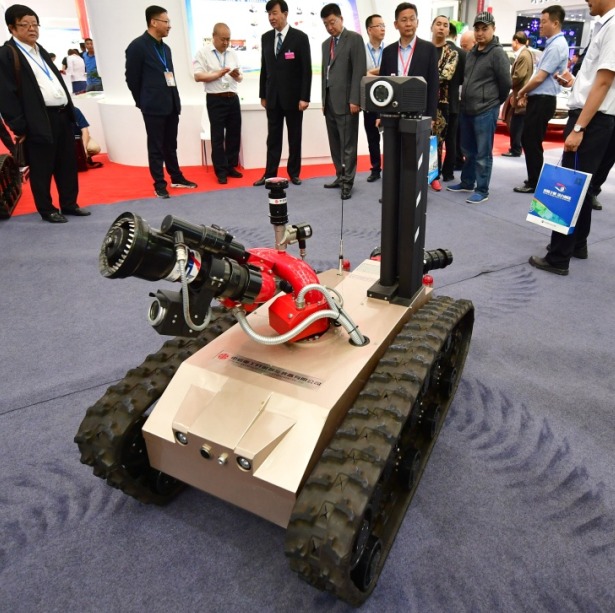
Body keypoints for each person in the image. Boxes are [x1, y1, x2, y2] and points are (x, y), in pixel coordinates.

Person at [529, 0, 615, 276]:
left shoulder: (612, 26)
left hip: (592, 121)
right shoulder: (604, 26)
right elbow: (597, 81)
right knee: (585, 187)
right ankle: (578, 244)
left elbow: (604, 81)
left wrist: (579, 127)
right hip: (599, 120)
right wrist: (576, 84)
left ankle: (558, 257)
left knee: (569, 188)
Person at [0, 4, 90, 223]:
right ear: (12, 28)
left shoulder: (40, 50)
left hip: (61, 115)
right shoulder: (7, 54)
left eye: (35, 24)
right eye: (25, 24)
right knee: (42, 166)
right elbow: (5, 94)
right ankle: (47, 209)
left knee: (67, 162)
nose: (32, 29)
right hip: (37, 119)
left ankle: (69, 204)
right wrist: (19, 126)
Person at [125, 5, 197, 199]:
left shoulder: (165, 48)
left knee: (170, 144)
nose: (169, 26)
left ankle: (176, 177)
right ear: (153, 22)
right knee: (156, 146)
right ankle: (159, 183)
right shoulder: (137, 46)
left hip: (171, 103)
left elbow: (169, 75)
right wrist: (142, 101)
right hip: (153, 106)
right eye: (166, 22)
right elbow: (132, 79)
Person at [446, 12, 511, 204]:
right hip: (467, 109)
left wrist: (493, 102)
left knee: (483, 153)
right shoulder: (472, 52)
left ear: (493, 29)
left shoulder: (497, 53)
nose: (480, 33)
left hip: (486, 110)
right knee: (468, 150)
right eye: (477, 29)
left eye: (485, 29)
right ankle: (467, 182)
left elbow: (506, 84)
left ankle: (482, 190)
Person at [253, 0, 311, 187]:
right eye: (269, 14)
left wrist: (305, 97)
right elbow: (264, 68)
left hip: (294, 99)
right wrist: (263, 94)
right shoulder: (266, 38)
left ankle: (294, 173)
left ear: (285, 14)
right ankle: (269, 174)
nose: (271, 17)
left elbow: (306, 70)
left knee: (294, 137)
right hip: (272, 98)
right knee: (273, 138)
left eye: (275, 13)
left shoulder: (300, 37)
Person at [513, 5, 569, 194]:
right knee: (530, 139)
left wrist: (521, 92)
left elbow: (539, 77)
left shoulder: (557, 46)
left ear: (555, 23)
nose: (540, 26)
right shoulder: (552, 44)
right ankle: (534, 178)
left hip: (543, 99)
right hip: (540, 99)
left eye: (544, 22)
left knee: (531, 140)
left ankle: (535, 181)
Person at [320, 3, 366, 200]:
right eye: (326, 24)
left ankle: (348, 182)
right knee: (335, 144)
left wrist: (355, 99)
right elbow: (325, 74)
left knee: (348, 145)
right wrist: (323, 99)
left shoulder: (354, 39)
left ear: (341, 19)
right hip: (329, 102)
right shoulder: (326, 44)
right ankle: (340, 176)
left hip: (347, 102)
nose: (330, 27)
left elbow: (359, 71)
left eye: (332, 22)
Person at [193, 23, 243, 185]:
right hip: (215, 99)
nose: (226, 43)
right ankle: (220, 171)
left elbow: (240, 78)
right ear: (214, 36)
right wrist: (218, 74)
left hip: (232, 97)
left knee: (234, 134)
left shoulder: (232, 54)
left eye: (228, 39)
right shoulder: (203, 53)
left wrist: (236, 75)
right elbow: (198, 76)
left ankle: (230, 166)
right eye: (223, 39)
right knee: (217, 136)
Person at [379, 3, 439, 127]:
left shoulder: (429, 49)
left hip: (419, 113)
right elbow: (382, 83)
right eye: (404, 20)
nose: (408, 24)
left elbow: (433, 84)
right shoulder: (388, 51)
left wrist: (431, 115)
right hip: (392, 112)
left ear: (417, 22)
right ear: (396, 24)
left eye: (412, 19)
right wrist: (380, 114)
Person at [430, 15, 458, 192]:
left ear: (448, 31)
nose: (441, 27)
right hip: (419, 100)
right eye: (438, 24)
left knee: (437, 141)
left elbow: (446, 75)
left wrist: (425, 77)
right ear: (432, 27)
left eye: (445, 25)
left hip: (440, 103)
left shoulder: (451, 53)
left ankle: (434, 176)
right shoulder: (423, 49)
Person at [362, 13, 386, 183]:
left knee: (390, 137)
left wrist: (371, 72)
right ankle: (375, 169)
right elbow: (359, 73)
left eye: (384, 26)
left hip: (388, 99)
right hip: (369, 100)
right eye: (379, 26)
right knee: (372, 137)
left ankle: (391, 168)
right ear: (370, 29)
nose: (383, 29)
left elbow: (390, 71)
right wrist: (379, 72)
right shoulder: (361, 50)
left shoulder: (390, 50)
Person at [502, 32, 533, 158]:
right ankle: (516, 147)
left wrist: (507, 82)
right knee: (517, 122)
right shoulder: (526, 53)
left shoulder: (523, 55)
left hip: (520, 94)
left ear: (515, 41)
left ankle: (516, 148)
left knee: (517, 123)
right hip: (520, 93)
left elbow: (519, 75)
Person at [441, 22, 465, 182]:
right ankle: (448, 173)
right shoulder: (463, 53)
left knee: (435, 140)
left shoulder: (434, 50)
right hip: (454, 102)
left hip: (437, 102)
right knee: (451, 140)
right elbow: (463, 78)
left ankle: (432, 173)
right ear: (455, 35)